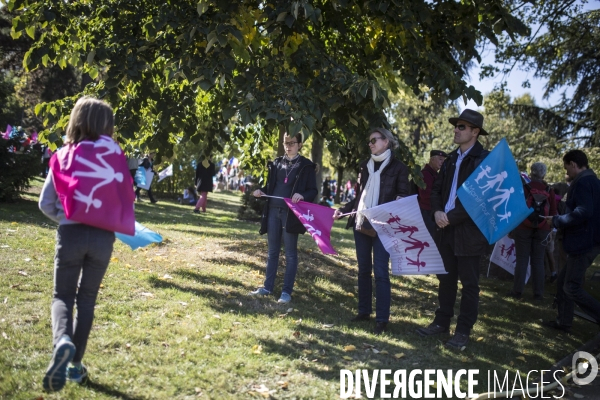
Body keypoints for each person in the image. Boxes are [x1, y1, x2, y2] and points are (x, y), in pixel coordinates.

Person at [38, 96, 135, 392]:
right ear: (108, 125)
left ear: (76, 121)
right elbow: (125, 198)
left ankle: (62, 341)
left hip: (71, 234)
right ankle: (75, 366)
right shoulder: (117, 155)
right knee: (87, 300)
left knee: (62, 295)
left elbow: (45, 203)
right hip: (104, 239)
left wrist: (67, 217)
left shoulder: (65, 155)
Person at [416, 109, 490, 349]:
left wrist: (450, 217)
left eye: (461, 127)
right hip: (445, 228)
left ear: (475, 132)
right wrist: (438, 212)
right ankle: (441, 323)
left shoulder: (484, 161)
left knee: (469, 284)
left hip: (469, 233)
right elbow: (436, 190)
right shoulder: (449, 159)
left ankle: (463, 332)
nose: (456, 131)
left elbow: (482, 200)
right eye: (456, 126)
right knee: (445, 279)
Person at [334, 128, 409, 335]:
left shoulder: (399, 168)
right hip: (362, 223)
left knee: (381, 272)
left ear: (386, 142)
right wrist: (344, 210)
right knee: (363, 270)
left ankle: (382, 319)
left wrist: (394, 205)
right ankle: (364, 312)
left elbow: (404, 195)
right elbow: (359, 198)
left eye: (374, 140)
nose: (371, 144)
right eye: (369, 141)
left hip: (384, 226)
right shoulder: (364, 166)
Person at [250, 132, 317, 304]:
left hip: (291, 214)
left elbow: (312, 191)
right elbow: (271, 187)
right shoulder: (276, 163)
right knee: (272, 252)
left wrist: (302, 195)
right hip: (273, 211)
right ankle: (267, 287)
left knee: (290, 254)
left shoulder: (306, 166)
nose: (288, 146)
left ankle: (286, 292)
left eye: (293, 143)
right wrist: (261, 192)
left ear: (300, 145)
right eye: (286, 142)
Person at [544, 150, 600, 333]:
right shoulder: (593, 181)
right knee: (562, 283)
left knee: (571, 286)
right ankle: (564, 321)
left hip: (584, 242)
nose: (566, 173)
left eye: (567, 168)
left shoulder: (584, 182)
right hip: (588, 240)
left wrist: (558, 220)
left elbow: (584, 211)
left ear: (574, 164)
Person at [507, 162, 557, 300]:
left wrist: (512, 227)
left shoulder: (524, 188)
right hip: (543, 228)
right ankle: (538, 294)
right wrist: (550, 230)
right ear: (544, 174)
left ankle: (517, 291)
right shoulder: (549, 190)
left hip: (523, 227)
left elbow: (516, 209)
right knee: (539, 260)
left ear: (531, 172)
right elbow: (553, 212)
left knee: (522, 260)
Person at [414, 150, 447, 234]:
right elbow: (425, 195)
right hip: (426, 212)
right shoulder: (425, 174)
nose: (442, 162)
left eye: (443, 160)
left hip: (432, 212)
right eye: (440, 159)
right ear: (432, 160)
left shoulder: (436, 174)